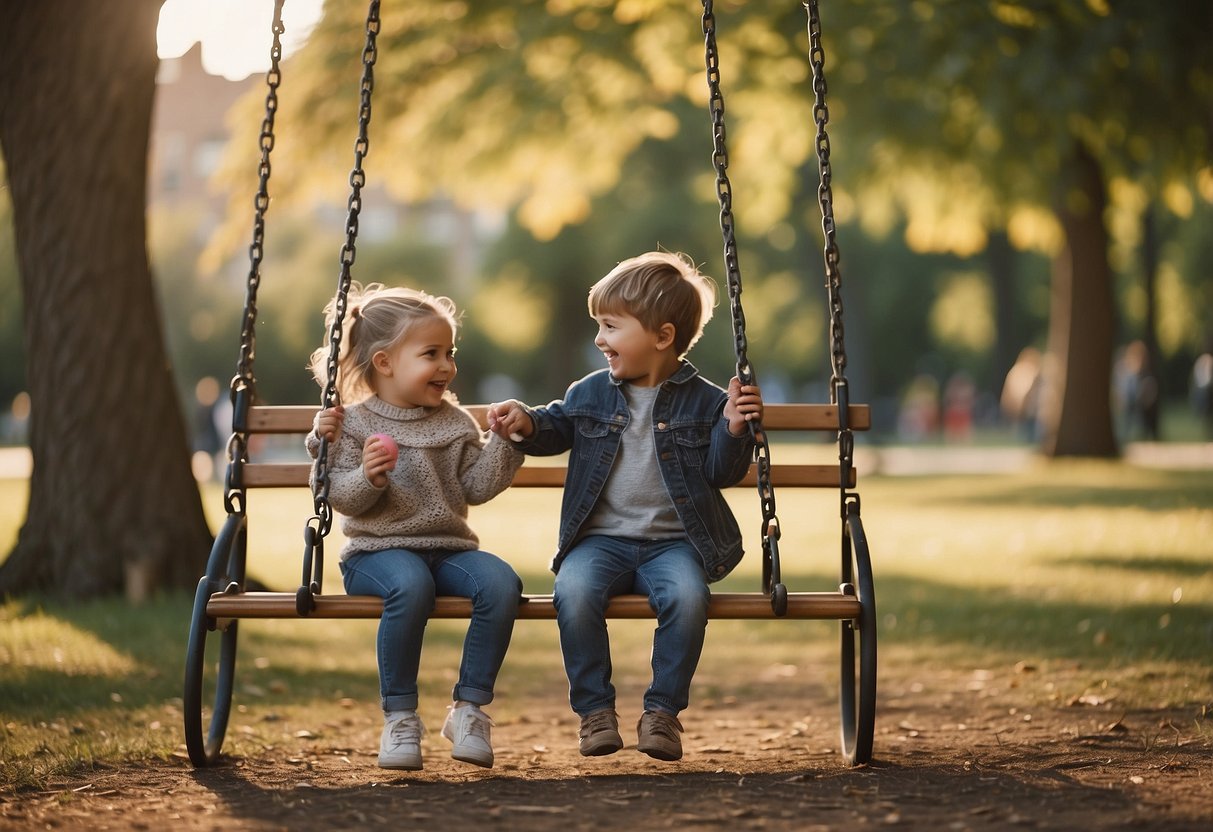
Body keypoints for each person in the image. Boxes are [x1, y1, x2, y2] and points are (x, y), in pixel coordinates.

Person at [486, 251, 764, 762]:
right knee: (573, 591)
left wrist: (734, 427)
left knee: (688, 597)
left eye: (611, 326)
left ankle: (662, 713)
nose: (599, 339)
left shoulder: (705, 402)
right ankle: (595, 712)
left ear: (661, 337)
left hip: (674, 544)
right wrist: (526, 422)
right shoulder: (590, 391)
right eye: (598, 325)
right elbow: (557, 426)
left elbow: (720, 473)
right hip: (601, 542)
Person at [305, 283, 524, 771]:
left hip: (448, 551)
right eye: (431, 354)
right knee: (409, 582)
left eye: (450, 353)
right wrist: (369, 476)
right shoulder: (349, 424)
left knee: (501, 582)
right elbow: (340, 497)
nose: (447, 366)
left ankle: (469, 709)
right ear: (384, 363)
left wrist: (504, 444)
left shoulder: (457, 422)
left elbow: (476, 487)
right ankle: (400, 717)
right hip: (375, 555)